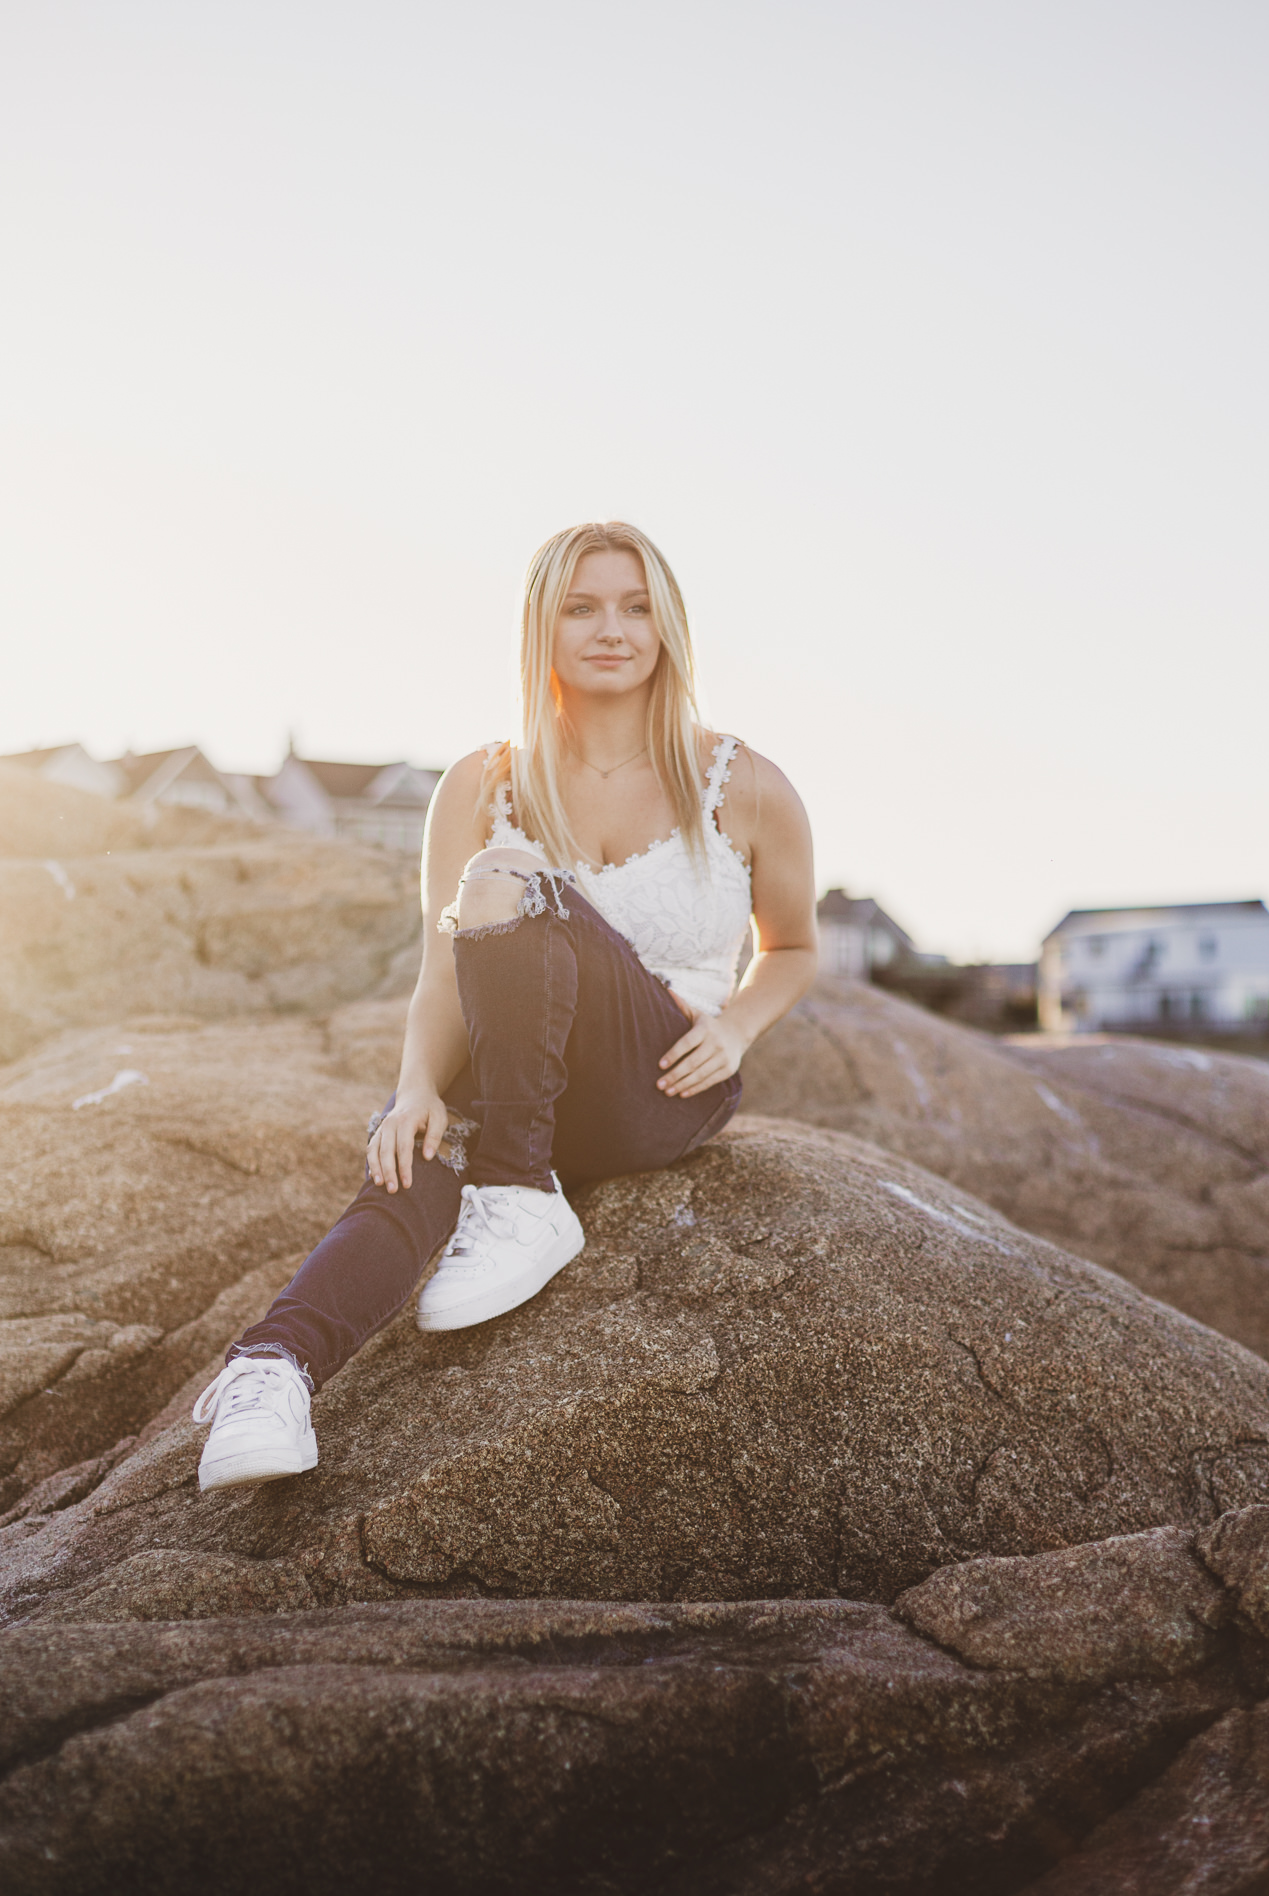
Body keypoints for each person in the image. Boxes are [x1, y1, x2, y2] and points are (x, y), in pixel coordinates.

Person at [191, 520, 819, 1490]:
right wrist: (411, 1091)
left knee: (512, 879)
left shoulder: (744, 781)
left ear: (668, 626)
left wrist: (735, 1025)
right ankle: (272, 1369)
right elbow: (447, 970)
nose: (611, 628)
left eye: (636, 605)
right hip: (519, 1085)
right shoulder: (480, 783)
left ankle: (520, 1193)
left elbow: (794, 945)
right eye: (581, 606)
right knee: (420, 1147)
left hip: (656, 1078)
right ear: (543, 626)